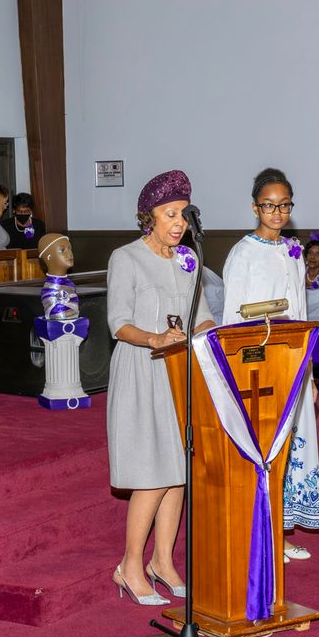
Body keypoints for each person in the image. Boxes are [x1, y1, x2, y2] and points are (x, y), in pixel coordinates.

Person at [107, 169, 216, 605]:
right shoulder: (126, 258)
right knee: (151, 473)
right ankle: (129, 566)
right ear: (148, 216)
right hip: (142, 369)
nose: (179, 223)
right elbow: (118, 324)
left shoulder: (189, 261)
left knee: (178, 473)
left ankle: (163, 562)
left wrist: (213, 337)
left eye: (184, 215)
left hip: (180, 372)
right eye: (170, 214)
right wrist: (154, 338)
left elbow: (202, 316)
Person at [221, 167, 319, 562]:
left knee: (289, 450)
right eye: (269, 205)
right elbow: (232, 318)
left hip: (292, 361)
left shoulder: (293, 252)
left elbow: (301, 314)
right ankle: (261, 535)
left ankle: (279, 530)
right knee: (264, 450)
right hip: (258, 365)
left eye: (284, 206)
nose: (277, 213)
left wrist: (308, 373)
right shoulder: (243, 254)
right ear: (254, 208)